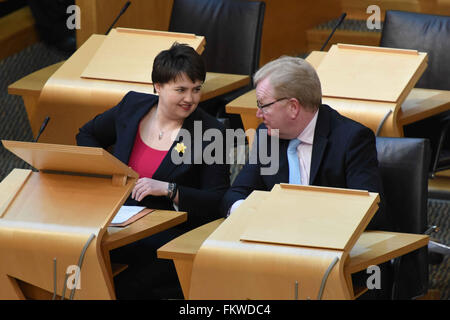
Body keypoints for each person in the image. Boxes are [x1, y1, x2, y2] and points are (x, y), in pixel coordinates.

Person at [221, 56, 390, 299]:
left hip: (340, 261)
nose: (258, 114)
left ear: (293, 106)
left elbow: (372, 213)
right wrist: (251, 214)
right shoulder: (268, 136)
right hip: (276, 258)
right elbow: (234, 195)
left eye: (263, 105)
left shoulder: (351, 139)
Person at [77, 43, 229, 299]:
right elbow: (87, 134)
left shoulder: (210, 131)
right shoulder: (132, 106)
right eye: (180, 90)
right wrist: (110, 171)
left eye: (196, 89)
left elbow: (218, 200)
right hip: (118, 223)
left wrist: (170, 190)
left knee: (119, 286)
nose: (190, 99)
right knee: (73, 252)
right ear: (158, 86)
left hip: (171, 233)